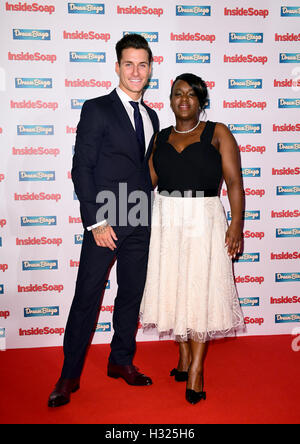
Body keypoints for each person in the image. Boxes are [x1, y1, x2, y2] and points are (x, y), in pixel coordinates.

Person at [48, 34, 159, 408]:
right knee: (87, 297)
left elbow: (143, 171)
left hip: (140, 219)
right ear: (117, 67)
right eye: (128, 63)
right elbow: (82, 168)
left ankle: (121, 361)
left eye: (142, 65)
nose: (135, 71)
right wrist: (96, 221)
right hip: (105, 222)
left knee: (131, 295)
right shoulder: (97, 108)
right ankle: (68, 375)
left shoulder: (152, 115)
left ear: (149, 70)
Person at [140, 73, 245, 405]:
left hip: (204, 220)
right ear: (170, 100)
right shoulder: (159, 138)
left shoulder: (218, 133)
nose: (183, 99)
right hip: (167, 219)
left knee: (199, 293)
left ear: (201, 101)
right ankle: (184, 357)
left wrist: (237, 225)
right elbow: (148, 181)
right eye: (177, 94)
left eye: (191, 94)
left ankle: (197, 370)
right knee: (174, 288)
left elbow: (235, 184)